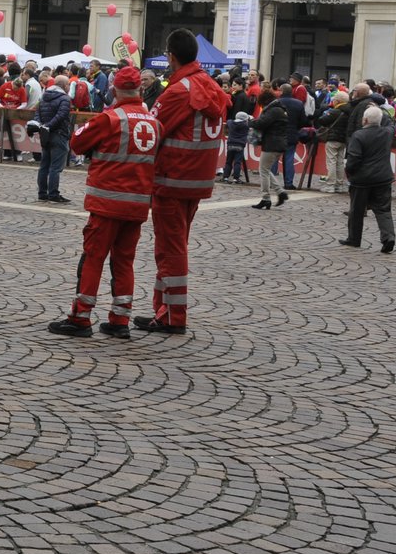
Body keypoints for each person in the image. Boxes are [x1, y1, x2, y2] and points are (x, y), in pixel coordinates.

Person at [47, 66, 162, 339]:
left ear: (114, 90)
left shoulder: (110, 118)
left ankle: (80, 317)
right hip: (137, 205)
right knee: (124, 262)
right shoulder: (156, 124)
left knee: (93, 259)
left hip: (107, 202)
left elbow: (76, 143)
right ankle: (120, 320)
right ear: (141, 90)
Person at [139, 28, 231, 335]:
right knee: (173, 245)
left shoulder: (178, 91)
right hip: (197, 178)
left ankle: (173, 315)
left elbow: (152, 131)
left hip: (172, 178)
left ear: (171, 56)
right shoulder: (209, 85)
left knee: (170, 248)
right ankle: (162, 308)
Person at [341, 106, 396, 252]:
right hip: (383, 177)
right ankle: (388, 237)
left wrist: (350, 173)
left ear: (364, 120)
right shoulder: (387, 133)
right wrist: (380, 110)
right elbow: (391, 122)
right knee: (383, 210)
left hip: (361, 179)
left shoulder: (358, 135)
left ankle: (354, 238)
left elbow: (353, 159)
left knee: (356, 210)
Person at [250, 88, 292, 209]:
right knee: (266, 169)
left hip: (272, 143)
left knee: (263, 170)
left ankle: (265, 198)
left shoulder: (273, 110)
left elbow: (261, 123)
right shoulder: (280, 109)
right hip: (279, 143)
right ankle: (280, 192)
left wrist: (250, 122)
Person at [33, 75, 73, 203]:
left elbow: (36, 113)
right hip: (59, 133)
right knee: (55, 167)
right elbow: (61, 115)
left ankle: (42, 193)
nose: (69, 87)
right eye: (68, 85)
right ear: (64, 85)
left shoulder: (44, 96)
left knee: (44, 165)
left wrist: (42, 126)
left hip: (45, 134)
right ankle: (53, 194)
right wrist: (49, 126)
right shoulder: (65, 99)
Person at [316, 90, 352, 193]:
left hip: (333, 139)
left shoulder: (335, 111)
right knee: (340, 162)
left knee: (331, 161)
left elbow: (322, 120)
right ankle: (339, 185)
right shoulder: (350, 112)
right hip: (344, 140)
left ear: (337, 101)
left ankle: (330, 185)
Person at [222, 112, 250, 183]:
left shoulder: (231, 123)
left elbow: (228, 121)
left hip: (230, 144)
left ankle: (225, 177)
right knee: (237, 162)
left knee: (228, 162)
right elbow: (251, 122)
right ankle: (236, 178)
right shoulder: (246, 125)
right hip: (240, 145)